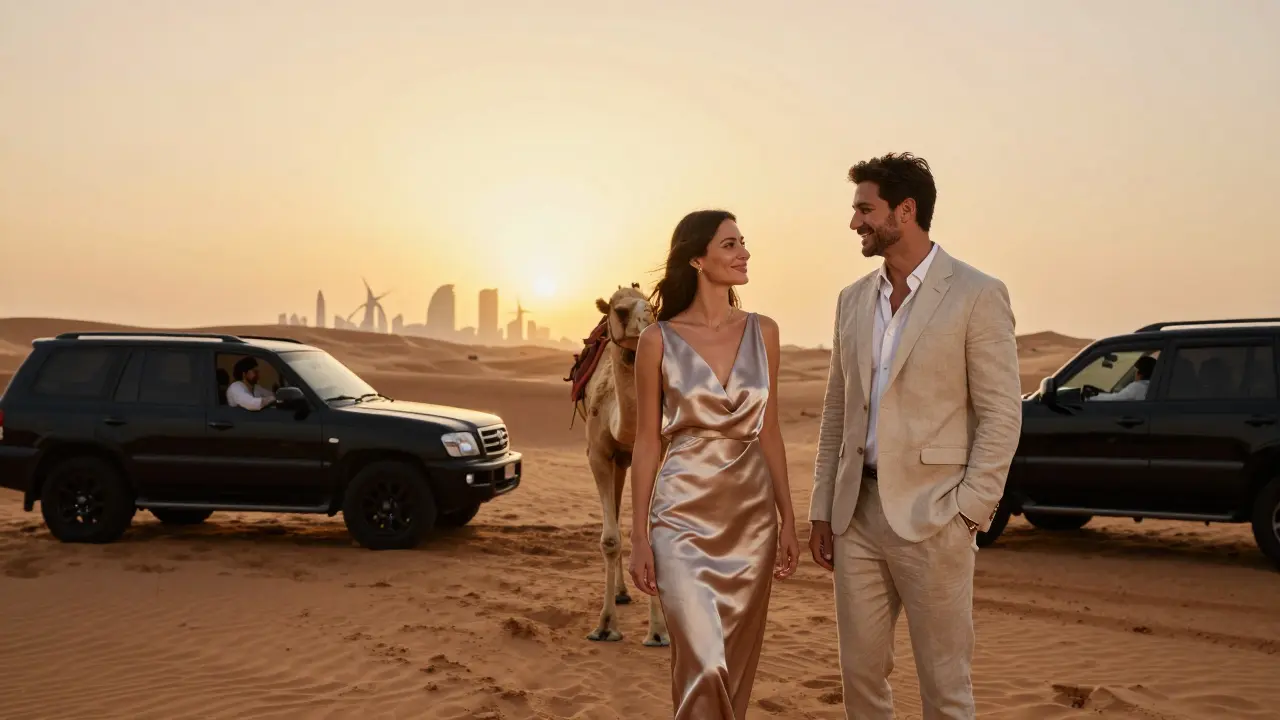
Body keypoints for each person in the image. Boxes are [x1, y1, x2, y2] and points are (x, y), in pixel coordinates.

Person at [808, 153, 1022, 719]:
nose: (854, 222)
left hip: (936, 518)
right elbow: (838, 409)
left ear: (906, 211)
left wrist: (971, 511)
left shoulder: (977, 293)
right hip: (856, 514)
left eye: (864, 209)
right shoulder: (852, 299)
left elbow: (1003, 413)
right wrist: (822, 508)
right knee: (860, 677)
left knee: (945, 685)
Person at [628, 209, 800, 719]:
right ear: (698, 258)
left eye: (742, 242)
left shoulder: (764, 331)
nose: (744, 252)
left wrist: (788, 517)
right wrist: (638, 535)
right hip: (680, 517)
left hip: (751, 521)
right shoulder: (656, 339)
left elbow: (768, 430)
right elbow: (644, 443)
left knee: (736, 664)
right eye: (729, 244)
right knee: (703, 663)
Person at [1087, 355, 1155, 401]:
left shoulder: (1138, 387)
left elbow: (1115, 399)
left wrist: (1090, 397)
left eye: (1136, 371)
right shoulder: (1153, 387)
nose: (1135, 374)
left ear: (1140, 373)